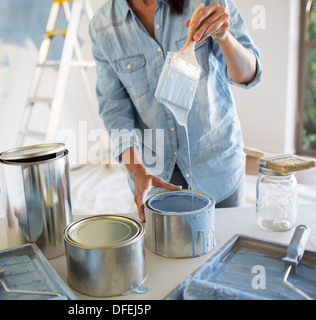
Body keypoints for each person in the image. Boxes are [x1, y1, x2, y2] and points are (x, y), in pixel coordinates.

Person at [89, 0, 262, 222]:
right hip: (157, 177)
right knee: (168, 254)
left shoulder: (204, 2)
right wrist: (136, 169)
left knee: (225, 250)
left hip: (218, 169)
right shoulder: (102, 27)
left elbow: (249, 75)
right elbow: (114, 109)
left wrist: (224, 38)